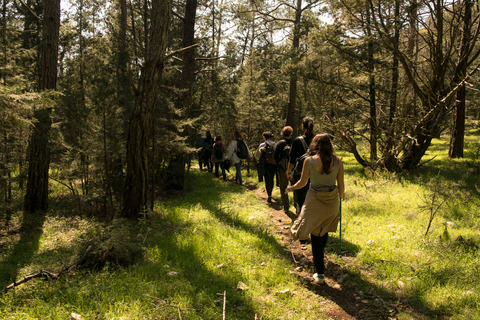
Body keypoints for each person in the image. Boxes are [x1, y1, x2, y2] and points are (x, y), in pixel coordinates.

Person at [285, 133, 345, 284]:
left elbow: (303, 183)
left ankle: (319, 274)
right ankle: (320, 263)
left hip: (314, 202)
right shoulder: (338, 161)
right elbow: (341, 187)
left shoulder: (309, 161)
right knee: (323, 232)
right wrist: (341, 196)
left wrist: (291, 187)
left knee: (316, 235)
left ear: (315, 145)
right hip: (331, 202)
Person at [287, 117, 315, 216]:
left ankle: (300, 220)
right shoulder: (317, 140)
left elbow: (292, 160)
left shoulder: (297, 141)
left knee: (300, 200)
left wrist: (289, 171)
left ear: (302, 126)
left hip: (300, 173)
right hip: (315, 174)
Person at [274, 126, 293, 214]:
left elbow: (275, 156)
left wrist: (279, 164)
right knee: (296, 186)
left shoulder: (280, 143)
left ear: (282, 133)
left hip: (283, 168)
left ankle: (286, 206)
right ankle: (298, 206)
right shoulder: (294, 142)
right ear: (290, 134)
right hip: (293, 168)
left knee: (283, 187)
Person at [255, 131, 277, 203]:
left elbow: (257, 155)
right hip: (273, 165)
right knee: (272, 178)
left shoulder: (262, 145)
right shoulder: (275, 145)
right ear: (271, 137)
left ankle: (269, 195)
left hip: (265, 165)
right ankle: (271, 192)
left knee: (267, 179)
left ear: (264, 137)